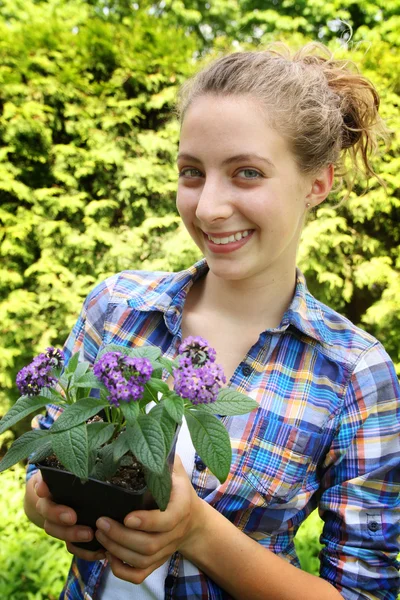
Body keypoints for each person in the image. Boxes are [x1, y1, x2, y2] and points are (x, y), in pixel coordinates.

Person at [24, 41, 399, 600]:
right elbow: (47, 448)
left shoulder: (353, 374)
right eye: (192, 172)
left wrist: (197, 531)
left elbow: (365, 592)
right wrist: (43, 502)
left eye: (247, 173)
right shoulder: (118, 307)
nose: (208, 207)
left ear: (317, 183)